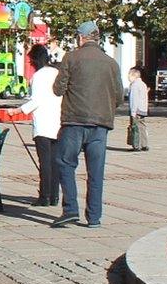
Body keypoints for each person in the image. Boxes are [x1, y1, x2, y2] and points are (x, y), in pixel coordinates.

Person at [50, 21, 121, 228]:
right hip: (100, 124)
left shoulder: (71, 58)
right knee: (96, 172)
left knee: (65, 163)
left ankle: (71, 209)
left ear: (80, 38)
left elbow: (58, 89)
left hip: (74, 121)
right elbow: (118, 97)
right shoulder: (111, 63)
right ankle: (94, 217)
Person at [17, 45, 62, 207]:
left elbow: (35, 101)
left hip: (43, 124)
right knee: (55, 161)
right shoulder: (57, 73)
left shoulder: (38, 76)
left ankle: (44, 196)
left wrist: (17, 111)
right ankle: (55, 195)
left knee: (45, 162)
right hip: (58, 123)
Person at [126, 66, 150, 151]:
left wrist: (133, 112)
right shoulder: (143, 84)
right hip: (143, 109)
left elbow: (134, 99)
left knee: (135, 127)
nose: (128, 78)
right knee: (142, 127)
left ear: (133, 76)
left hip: (136, 110)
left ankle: (136, 145)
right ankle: (144, 144)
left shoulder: (135, 85)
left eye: (129, 76)